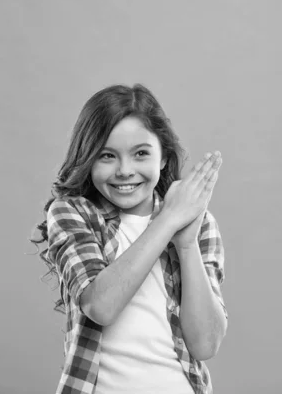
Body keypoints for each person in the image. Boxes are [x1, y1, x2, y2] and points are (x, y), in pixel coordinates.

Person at [31, 84, 227, 394]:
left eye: (140, 154)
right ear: (88, 159)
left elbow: (205, 345)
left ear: (162, 158)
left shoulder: (200, 225)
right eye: (107, 155)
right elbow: (100, 306)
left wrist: (186, 245)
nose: (125, 171)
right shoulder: (73, 212)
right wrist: (167, 222)